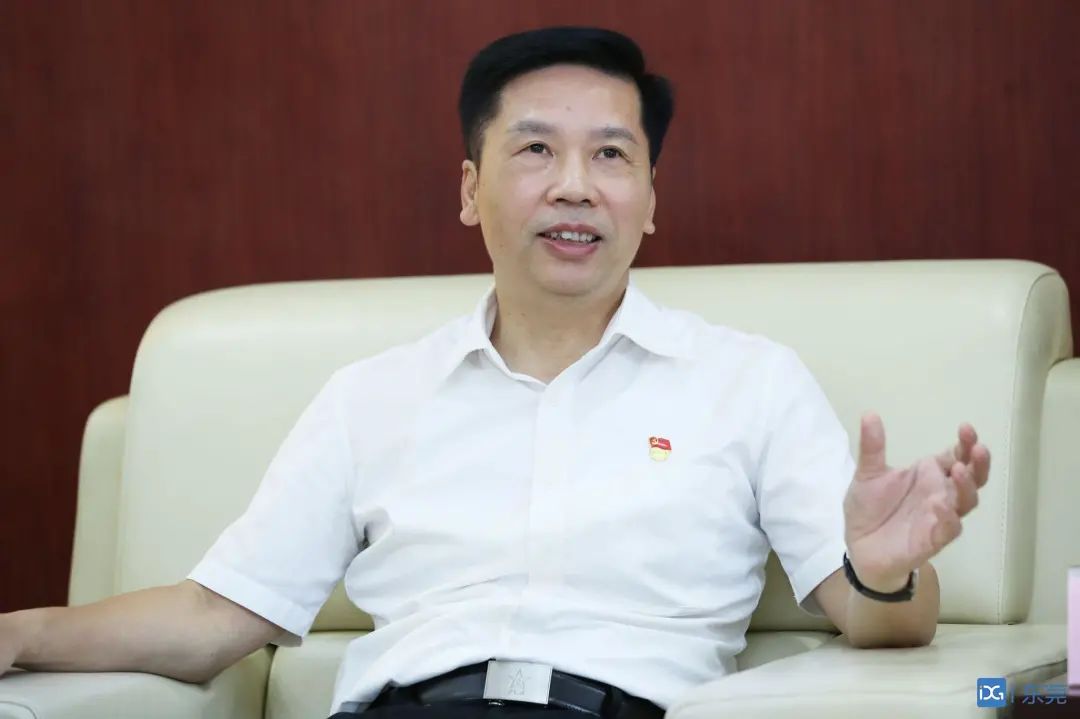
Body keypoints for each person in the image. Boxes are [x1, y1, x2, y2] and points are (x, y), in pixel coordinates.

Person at [0, 26, 991, 719]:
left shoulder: (749, 382)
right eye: (536, 150)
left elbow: (880, 622)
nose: (575, 185)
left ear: (651, 200)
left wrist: (887, 569)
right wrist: (20, 634)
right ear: (471, 190)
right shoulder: (370, 397)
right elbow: (216, 615)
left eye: (612, 155)